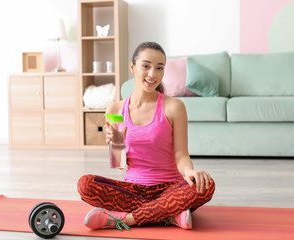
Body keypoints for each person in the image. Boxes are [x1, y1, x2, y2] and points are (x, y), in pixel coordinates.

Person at [77, 42, 215, 231]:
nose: (153, 74)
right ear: (132, 67)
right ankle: (169, 215)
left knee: (206, 185)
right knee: (85, 184)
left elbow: (181, 154)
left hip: (171, 189)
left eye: (159, 68)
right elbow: (118, 165)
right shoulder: (116, 109)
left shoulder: (174, 107)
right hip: (133, 190)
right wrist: (117, 144)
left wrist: (190, 172)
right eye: (146, 66)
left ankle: (124, 219)